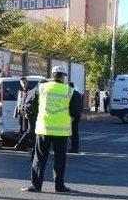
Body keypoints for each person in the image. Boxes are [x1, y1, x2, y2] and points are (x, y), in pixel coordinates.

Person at [21, 65, 80, 193]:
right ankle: (59, 186)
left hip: (43, 129)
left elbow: (28, 103)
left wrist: (34, 116)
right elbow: (75, 113)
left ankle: (36, 186)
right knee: (60, 160)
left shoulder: (41, 87)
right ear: (63, 77)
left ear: (52, 75)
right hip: (61, 132)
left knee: (39, 159)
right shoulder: (70, 91)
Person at [14, 82, 40, 151]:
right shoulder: (36, 92)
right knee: (30, 130)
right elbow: (28, 103)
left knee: (33, 131)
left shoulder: (32, 91)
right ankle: (19, 144)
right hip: (32, 114)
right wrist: (27, 113)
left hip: (31, 113)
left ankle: (36, 147)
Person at [68, 82, 82, 153]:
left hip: (71, 115)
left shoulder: (69, 94)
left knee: (71, 132)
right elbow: (80, 105)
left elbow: (70, 105)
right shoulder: (78, 93)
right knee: (75, 132)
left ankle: (73, 148)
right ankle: (75, 147)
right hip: (77, 115)